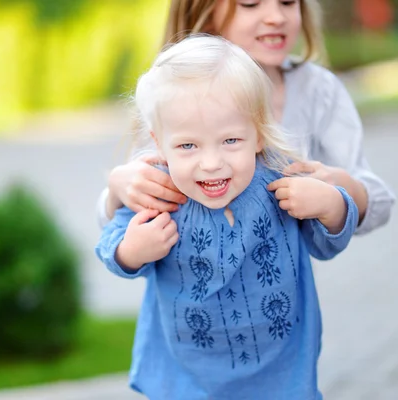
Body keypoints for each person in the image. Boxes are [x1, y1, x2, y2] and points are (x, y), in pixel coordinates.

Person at [95, 36, 358, 399]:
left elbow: (328, 243)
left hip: (279, 373)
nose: (211, 162)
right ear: (159, 142)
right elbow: (112, 244)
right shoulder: (159, 191)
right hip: (186, 375)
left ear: (258, 133)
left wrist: (331, 205)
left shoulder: (282, 184)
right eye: (188, 145)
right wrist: (131, 250)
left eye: (231, 140)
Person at [96, 0, 395, 235]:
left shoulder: (318, 90)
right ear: (207, 9)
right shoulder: (173, 92)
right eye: (251, 4)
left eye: (288, 2)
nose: (276, 16)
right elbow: (116, 225)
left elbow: (380, 204)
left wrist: (342, 191)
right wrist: (117, 190)